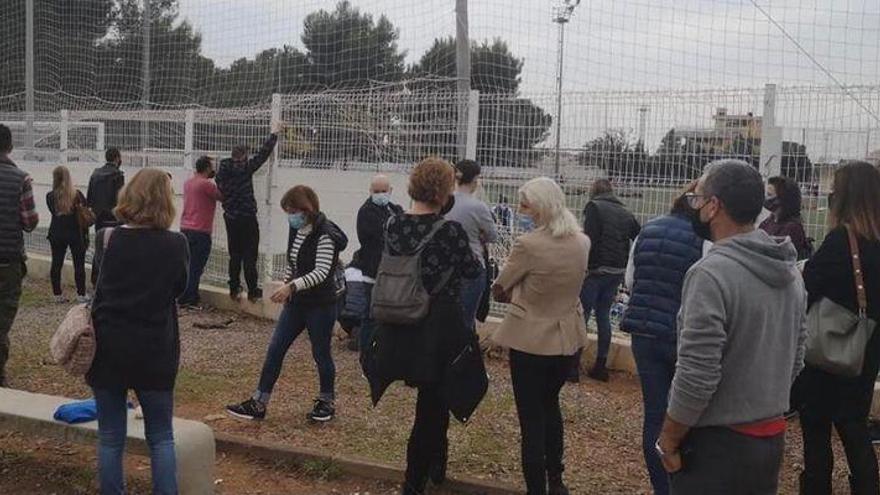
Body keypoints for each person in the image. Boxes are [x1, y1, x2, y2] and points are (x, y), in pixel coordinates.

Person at [656, 159, 807, 494]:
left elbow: (697, 374)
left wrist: (668, 438)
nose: (693, 205)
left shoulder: (711, 273)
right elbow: (796, 356)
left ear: (714, 206)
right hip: (769, 440)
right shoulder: (790, 271)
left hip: (716, 447)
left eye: (697, 198)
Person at [367, 157, 481, 495]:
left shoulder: (392, 225)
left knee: (434, 400)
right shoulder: (449, 230)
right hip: (436, 327)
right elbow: (472, 271)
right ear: (445, 191)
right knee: (432, 405)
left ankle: (435, 464)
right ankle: (415, 479)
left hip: (399, 323)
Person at [87, 168, 189, 495]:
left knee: (110, 437)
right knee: (161, 436)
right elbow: (179, 289)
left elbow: (97, 283)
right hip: (155, 346)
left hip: (109, 344)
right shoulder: (176, 243)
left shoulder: (106, 237)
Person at [491, 177, 590, 495]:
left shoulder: (528, 244)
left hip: (530, 340)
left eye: (525, 205)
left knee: (531, 419)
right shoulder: (581, 242)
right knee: (551, 406)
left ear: (540, 207)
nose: (521, 210)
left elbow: (501, 287)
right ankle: (556, 480)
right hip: (567, 338)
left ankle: (536, 486)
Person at [226, 185, 347, 423]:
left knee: (321, 353)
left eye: (292, 211)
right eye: (288, 212)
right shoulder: (298, 229)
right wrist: (286, 282)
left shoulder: (325, 234)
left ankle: (326, 401)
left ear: (306, 209)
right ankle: (259, 402)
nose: (290, 217)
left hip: (320, 304)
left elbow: (321, 271)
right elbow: (293, 262)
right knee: (275, 348)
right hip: (297, 303)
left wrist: (291, 287)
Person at [620, 182, 710, 495]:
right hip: (682, 336)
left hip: (644, 332)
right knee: (688, 414)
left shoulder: (650, 228)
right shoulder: (706, 240)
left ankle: (662, 486)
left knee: (655, 415)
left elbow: (631, 279)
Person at [798, 161, 880, 495]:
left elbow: (805, 290)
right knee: (855, 428)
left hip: (826, 352)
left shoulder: (840, 241)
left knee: (816, 431)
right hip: (867, 351)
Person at [572, 179, 640, 382]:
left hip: (596, 269)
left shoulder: (594, 207)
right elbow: (638, 234)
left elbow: (589, 240)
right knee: (603, 315)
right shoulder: (625, 212)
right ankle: (601, 366)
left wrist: (586, 267)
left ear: (593, 192)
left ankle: (573, 367)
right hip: (617, 270)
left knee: (582, 315)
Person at [215, 122, 284, 302]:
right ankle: (253, 290)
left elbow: (219, 184)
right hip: (247, 218)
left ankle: (233, 288)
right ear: (244, 156)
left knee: (235, 255)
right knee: (249, 255)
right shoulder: (246, 169)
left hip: (230, 218)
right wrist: (274, 135)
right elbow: (262, 154)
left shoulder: (223, 170)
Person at [0, 124, 39, 387]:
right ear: (10, 147)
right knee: (2, 316)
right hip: (7, 259)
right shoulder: (20, 178)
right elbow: (30, 221)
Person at [347, 174, 403, 353]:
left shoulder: (393, 209)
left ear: (390, 191)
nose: (380, 194)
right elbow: (385, 235)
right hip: (373, 270)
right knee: (371, 313)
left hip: (391, 270)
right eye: (376, 191)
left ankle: (383, 348)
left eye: (383, 191)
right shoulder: (367, 212)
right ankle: (366, 349)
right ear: (371, 191)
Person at [444, 159, 498, 328]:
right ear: (475, 180)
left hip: (444, 266)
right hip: (473, 266)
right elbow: (493, 236)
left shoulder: (443, 202)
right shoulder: (479, 207)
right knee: (466, 319)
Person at [178, 156, 222, 308]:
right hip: (200, 230)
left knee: (187, 264)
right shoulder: (206, 185)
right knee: (196, 266)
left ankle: (185, 295)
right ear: (208, 168)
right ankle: (190, 297)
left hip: (185, 228)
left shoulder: (188, 183)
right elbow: (222, 196)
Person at [46, 165, 89, 303]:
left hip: (56, 233)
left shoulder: (50, 196)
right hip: (75, 233)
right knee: (79, 264)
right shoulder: (77, 195)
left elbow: (53, 212)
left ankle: (57, 294)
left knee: (56, 263)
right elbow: (85, 210)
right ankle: (81, 294)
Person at [87, 148, 125, 286]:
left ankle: (96, 278)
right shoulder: (118, 175)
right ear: (116, 158)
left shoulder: (95, 174)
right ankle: (112, 279)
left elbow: (89, 198)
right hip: (114, 218)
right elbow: (121, 199)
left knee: (98, 247)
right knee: (114, 249)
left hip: (99, 218)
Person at [760, 175, 811, 260]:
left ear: (782, 198)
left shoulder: (793, 228)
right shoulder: (769, 221)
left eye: (769, 195)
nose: (765, 198)